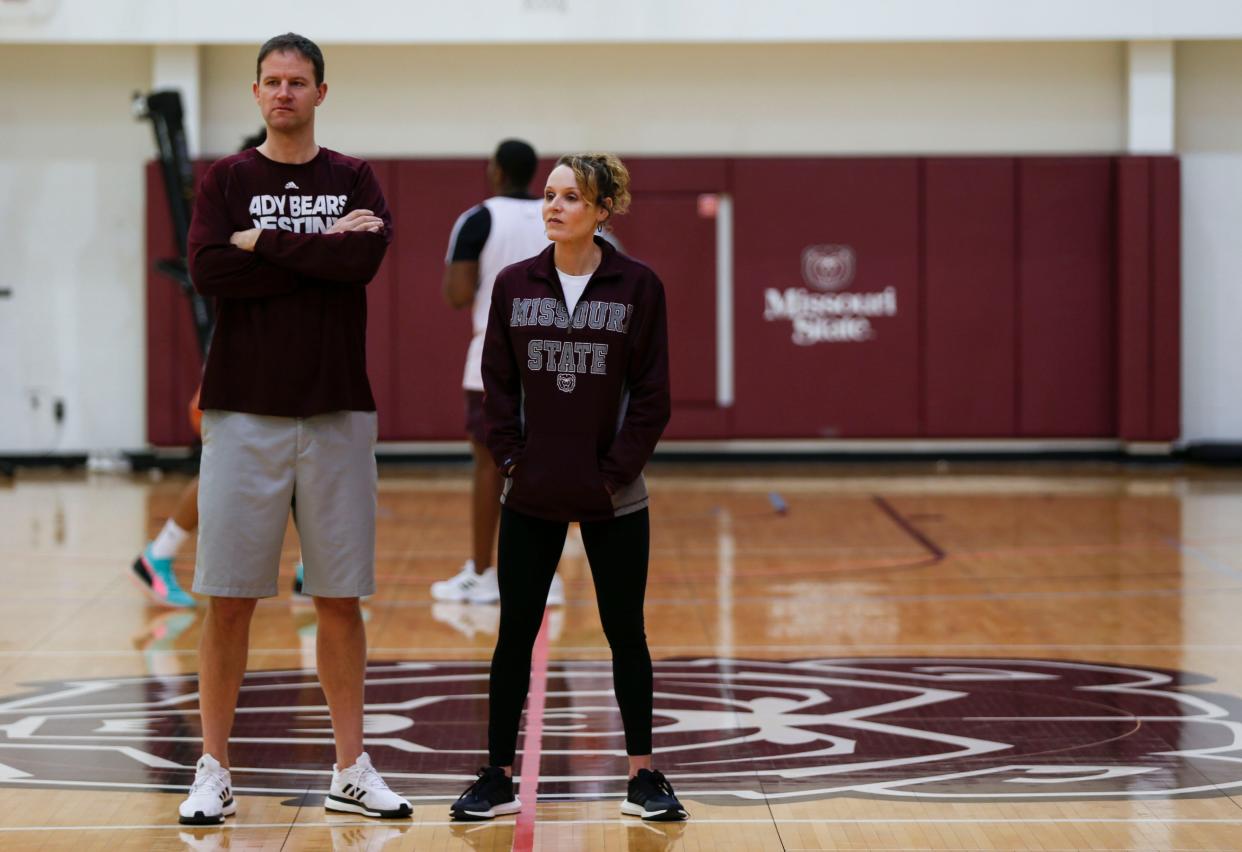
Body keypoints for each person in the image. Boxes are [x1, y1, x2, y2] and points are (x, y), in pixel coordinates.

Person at [177, 33, 410, 826]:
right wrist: (319, 245)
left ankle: (352, 767)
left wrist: (264, 244)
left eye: (298, 81)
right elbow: (211, 271)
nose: (284, 92)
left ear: (320, 91)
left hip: (338, 410)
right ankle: (213, 768)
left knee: (339, 599)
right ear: (255, 94)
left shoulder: (354, 176)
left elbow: (361, 265)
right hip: (243, 413)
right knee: (229, 600)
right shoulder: (226, 180)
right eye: (272, 81)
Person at [450, 154, 687, 821]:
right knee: (514, 635)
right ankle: (496, 775)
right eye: (550, 195)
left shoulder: (638, 287)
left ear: (603, 209)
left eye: (571, 197)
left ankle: (643, 776)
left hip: (615, 492)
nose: (553, 207)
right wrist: (513, 458)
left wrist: (615, 471)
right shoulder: (513, 284)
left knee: (624, 632)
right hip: (531, 488)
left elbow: (652, 395)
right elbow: (496, 384)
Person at [430, 139, 565, 607]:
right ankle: (546, 578)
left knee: (489, 467)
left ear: (495, 170)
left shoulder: (479, 218)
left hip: (494, 364)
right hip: (556, 363)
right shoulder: (561, 216)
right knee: (549, 468)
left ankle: (483, 575)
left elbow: (456, 293)